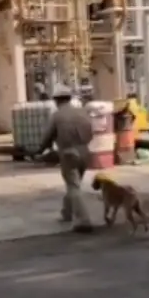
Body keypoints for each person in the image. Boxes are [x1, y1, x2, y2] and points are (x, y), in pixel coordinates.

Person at [33, 85, 95, 233]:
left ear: (56, 100)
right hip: (86, 152)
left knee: (73, 187)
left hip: (68, 153)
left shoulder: (57, 116)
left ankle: (84, 220)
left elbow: (47, 137)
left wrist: (39, 151)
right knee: (74, 184)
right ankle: (66, 212)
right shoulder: (83, 112)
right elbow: (91, 132)